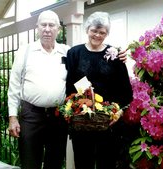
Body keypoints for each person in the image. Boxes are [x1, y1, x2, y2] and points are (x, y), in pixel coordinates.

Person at [7, 10, 128, 169]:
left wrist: (94, 101)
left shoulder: (67, 51)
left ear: (59, 28)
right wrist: (13, 117)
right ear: (37, 27)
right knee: (30, 161)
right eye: (44, 25)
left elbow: (77, 79)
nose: (47, 29)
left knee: (55, 161)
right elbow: (14, 85)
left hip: (58, 116)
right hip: (32, 115)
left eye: (52, 25)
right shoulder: (25, 51)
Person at [65, 11, 133, 169]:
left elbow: (126, 91)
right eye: (94, 30)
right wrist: (76, 108)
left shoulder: (115, 54)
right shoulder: (74, 53)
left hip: (109, 123)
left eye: (102, 32)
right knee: (83, 163)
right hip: (82, 122)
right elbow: (69, 86)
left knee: (107, 163)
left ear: (107, 34)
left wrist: (118, 112)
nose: (97, 35)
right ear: (87, 29)